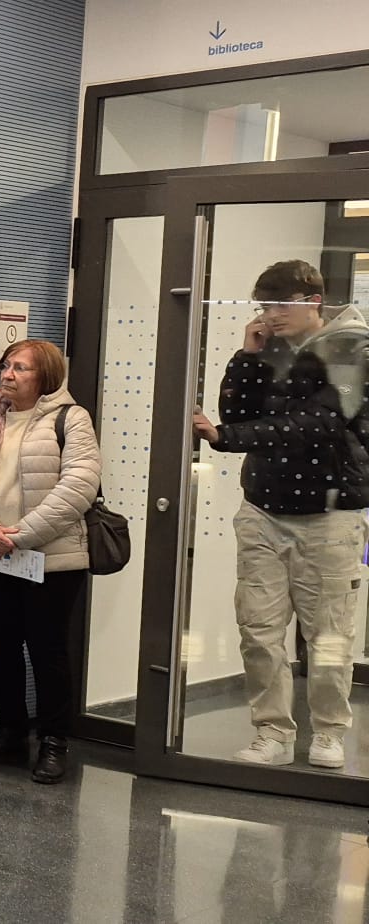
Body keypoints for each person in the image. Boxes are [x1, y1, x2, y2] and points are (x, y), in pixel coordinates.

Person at [192, 260, 369, 769]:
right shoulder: (270, 348)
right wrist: (248, 356)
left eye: (278, 305)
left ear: (312, 300)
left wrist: (229, 440)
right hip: (264, 508)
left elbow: (318, 422)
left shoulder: (353, 347)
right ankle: (271, 730)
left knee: (330, 633)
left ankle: (330, 730)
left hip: (330, 513)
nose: (269, 316)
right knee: (259, 627)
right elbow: (241, 414)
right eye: (263, 307)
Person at [0, 339, 101, 784]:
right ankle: (9, 732)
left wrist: (21, 536)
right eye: (6, 365)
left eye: (21, 368)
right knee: (1, 648)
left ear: (45, 377)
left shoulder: (71, 419)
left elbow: (79, 486)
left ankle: (54, 742)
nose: (8, 374)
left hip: (49, 561)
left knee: (47, 652)